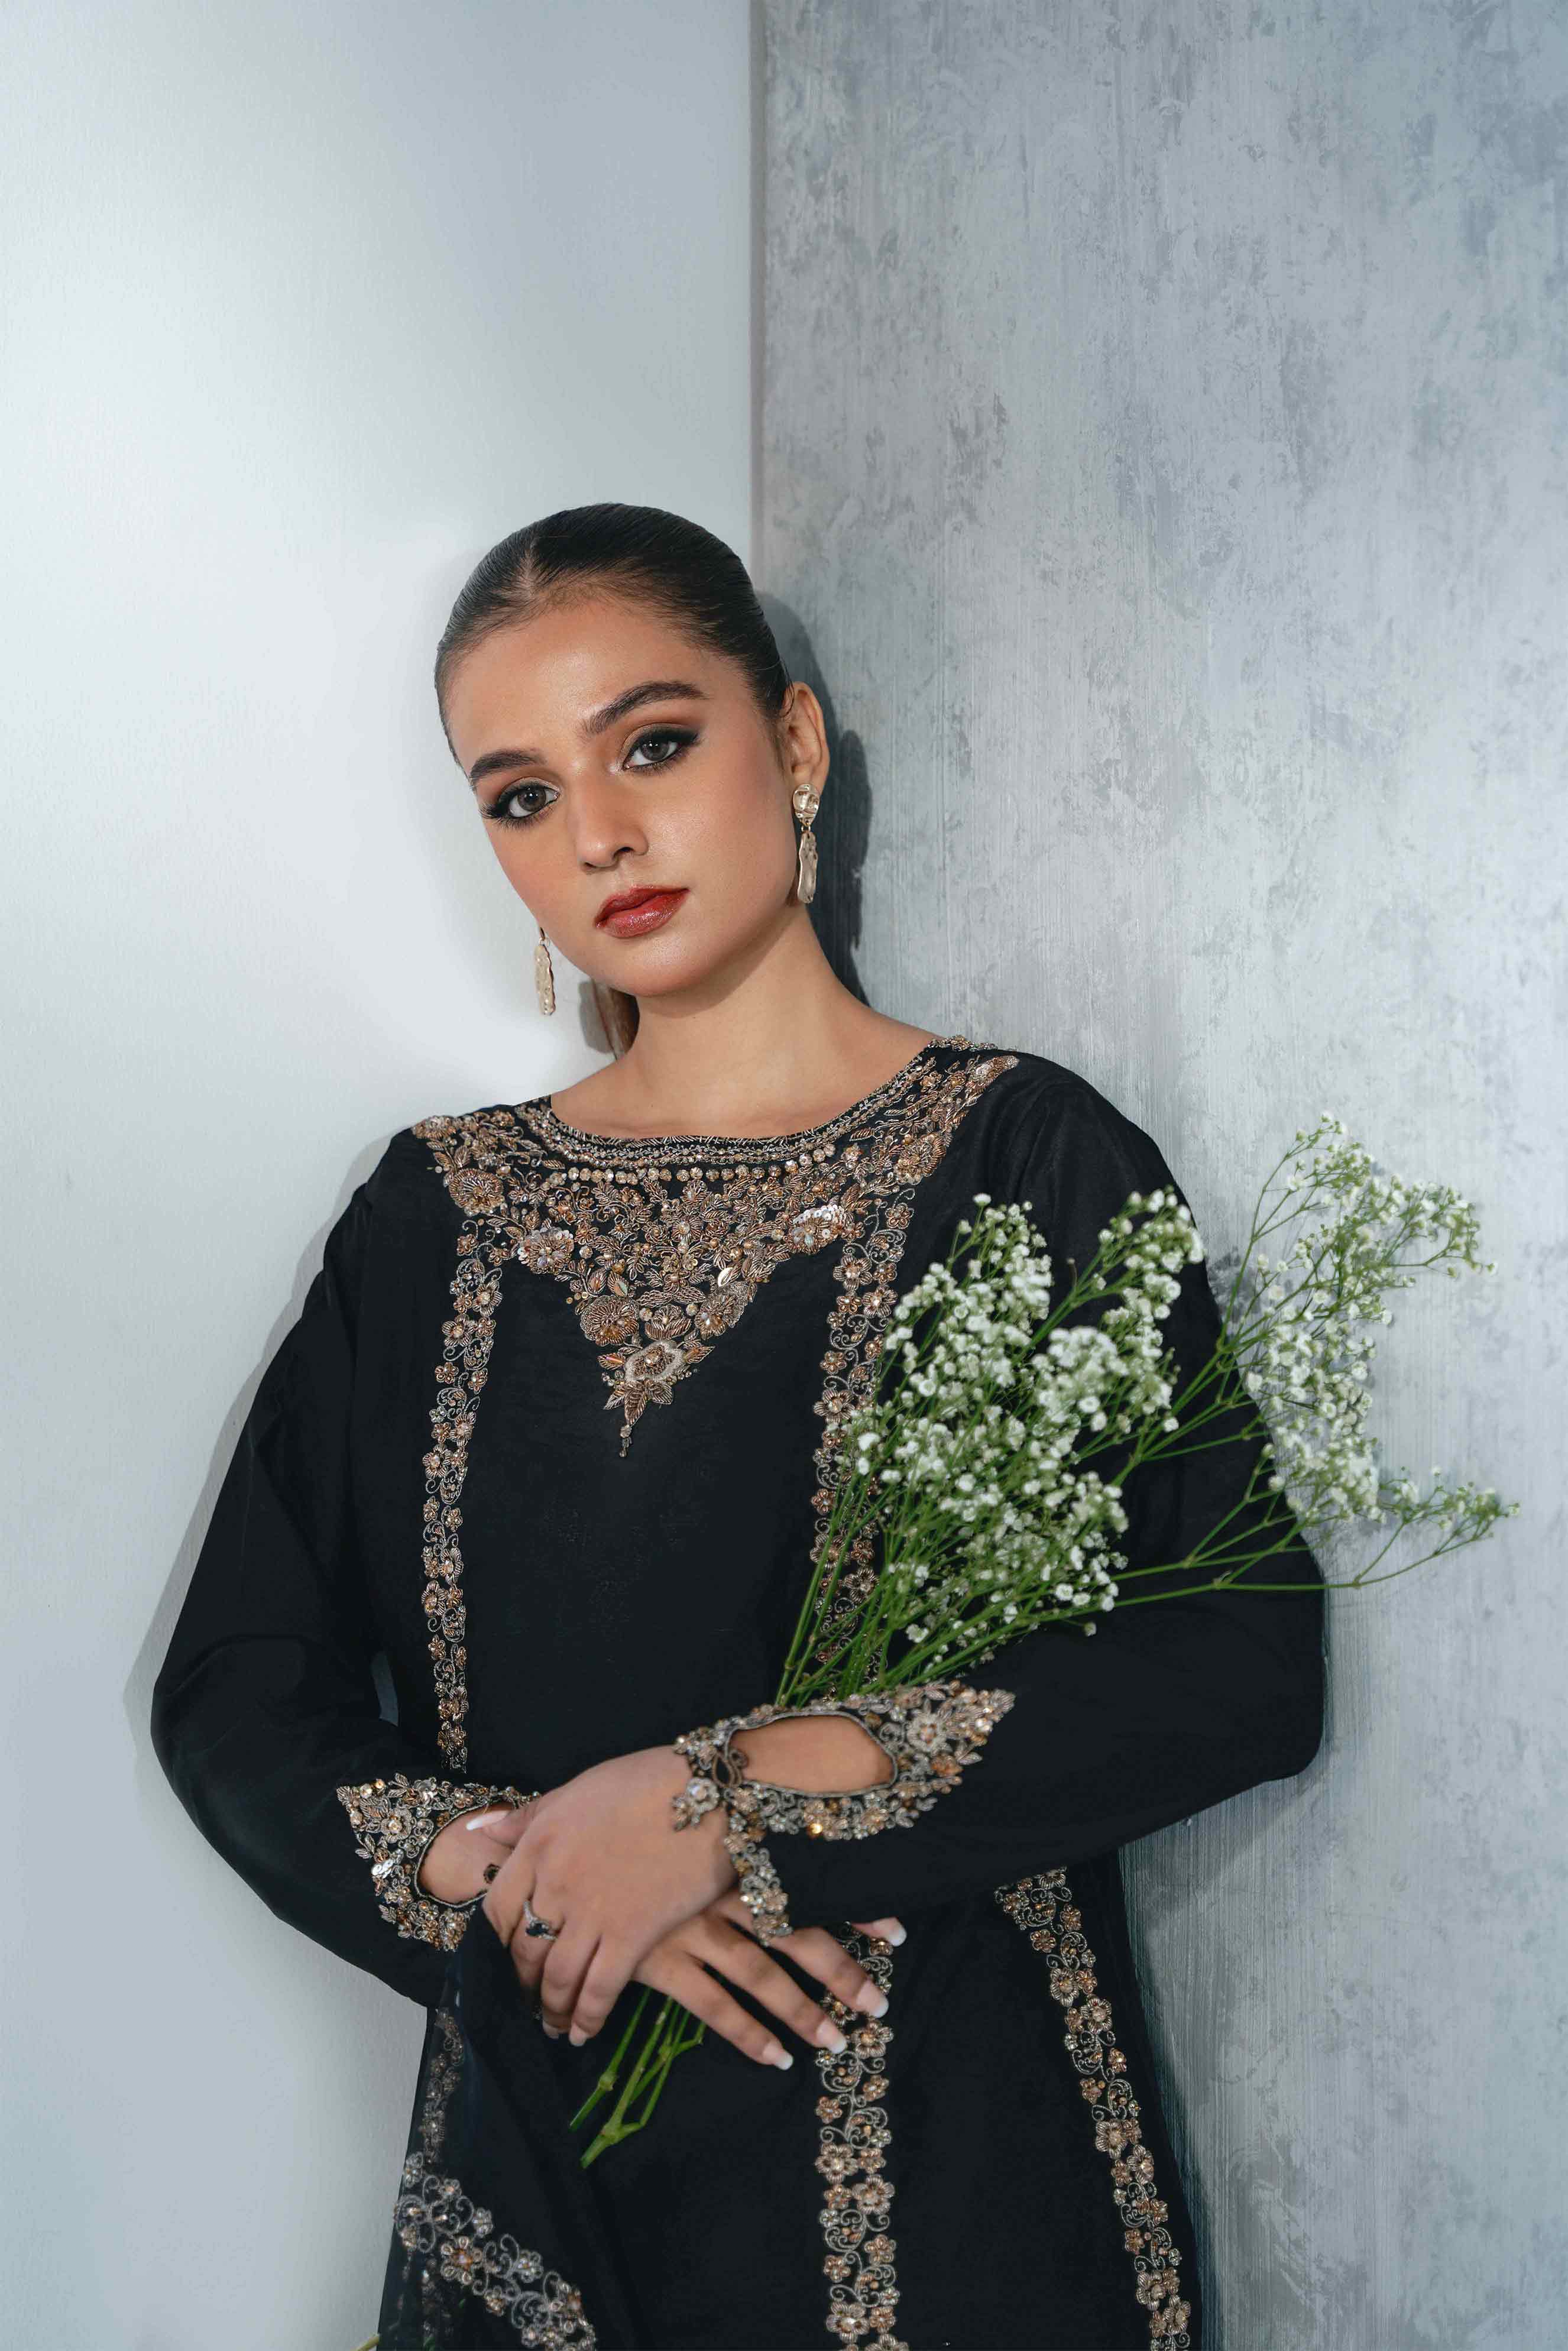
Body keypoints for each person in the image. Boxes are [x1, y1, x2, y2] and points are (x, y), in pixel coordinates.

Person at [151, 503, 1326, 2351]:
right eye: (520, 795)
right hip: (552, 2164)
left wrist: (717, 1804)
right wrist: (534, 1878)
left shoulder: (1022, 1156)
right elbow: (236, 1691)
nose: (597, 834)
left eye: (650, 744)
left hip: (947, 2168)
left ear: (792, 743)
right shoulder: (430, 1218)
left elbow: (1235, 1657)